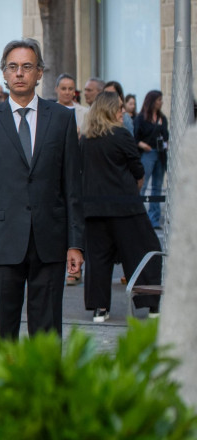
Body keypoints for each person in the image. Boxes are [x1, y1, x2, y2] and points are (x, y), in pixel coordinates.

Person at [0, 39, 84, 344]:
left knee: (47, 332)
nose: (20, 73)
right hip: (2, 242)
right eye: (13, 67)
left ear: (40, 73)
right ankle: (4, 391)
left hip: (50, 240)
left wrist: (76, 243)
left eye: (27, 67)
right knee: (3, 332)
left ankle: (46, 390)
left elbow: (72, 187)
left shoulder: (62, 118)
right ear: (4, 74)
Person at [79, 92, 162, 322]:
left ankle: (99, 309)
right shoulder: (121, 135)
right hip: (125, 207)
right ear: (108, 110)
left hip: (94, 209)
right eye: (119, 108)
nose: (122, 111)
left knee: (98, 260)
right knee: (145, 250)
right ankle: (151, 304)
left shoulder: (86, 138)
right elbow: (137, 168)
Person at [133, 89, 168, 229]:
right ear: (152, 101)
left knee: (157, 187)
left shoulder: (162, 118)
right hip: (147, 153)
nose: (161, 102)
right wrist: (143, 145)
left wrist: (166, 144)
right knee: (143, 185)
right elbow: (135, 137)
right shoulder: (141, 118)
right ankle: (139, 216)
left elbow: (166, 136)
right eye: (159, 99)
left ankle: (154, 219)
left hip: (160, 153)